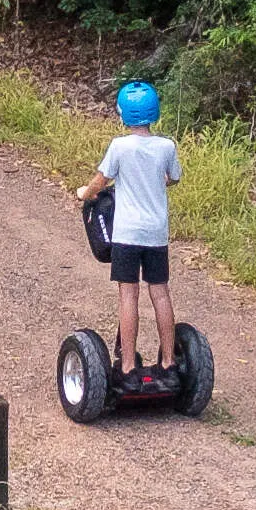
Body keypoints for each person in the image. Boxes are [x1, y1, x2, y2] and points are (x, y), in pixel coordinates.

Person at [80, 78, 179, 371]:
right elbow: (173, 178)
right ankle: (168, 361)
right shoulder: (166, 146)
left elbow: (101, 181)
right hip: (156, 233)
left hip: (127, 234)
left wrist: (85, 193)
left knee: (129, 294)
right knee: (160, 292)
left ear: (123, 114)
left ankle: (126, 366)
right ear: (155, 112)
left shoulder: (119, 146)